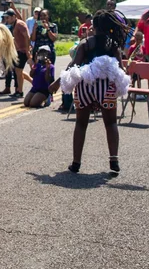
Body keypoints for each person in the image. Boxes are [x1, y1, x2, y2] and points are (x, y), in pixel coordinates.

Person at [53, 9, 131, 175]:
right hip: (106, 89)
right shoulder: (114, 45)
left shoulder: (85, 43)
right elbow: (121, 69)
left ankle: (76, 163)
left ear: (93, 26)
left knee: (81, 124)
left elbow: (73, 65)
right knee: (111, 123)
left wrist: (56, 84)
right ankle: (114, 161)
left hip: (85, 87)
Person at [0, 8, 29, 98]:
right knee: (18, 71)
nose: (6, 20)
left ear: (13, 17)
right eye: (6, 18)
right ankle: (19, 90)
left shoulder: (20, 24)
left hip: (22, 51)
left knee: (19, 72)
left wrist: (27, 51)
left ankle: (20, 91)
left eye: (8, 18)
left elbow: (27, 37)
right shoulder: (13, 25)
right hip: (17, 51)